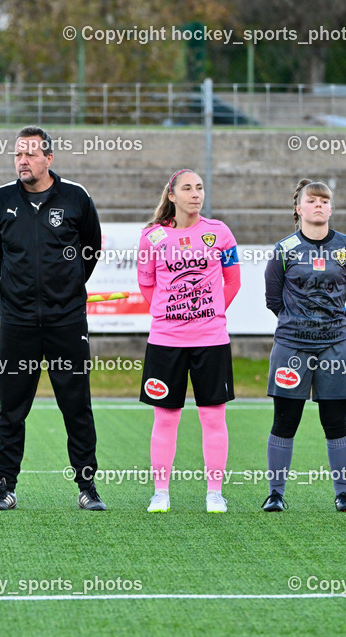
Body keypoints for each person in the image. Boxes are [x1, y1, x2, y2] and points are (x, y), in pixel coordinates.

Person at [0, 126, 105, 511]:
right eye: (18, 153)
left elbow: (91, 250)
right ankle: (5, 486)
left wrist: (64, 291)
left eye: (31, 154)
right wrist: (21, 292)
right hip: (18, 322)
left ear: (49, 159)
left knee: (76, 404)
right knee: (12, 406)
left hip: (66, 321)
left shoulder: (75, 198)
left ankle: (87, 487)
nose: (23, 160)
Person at [261, 179, 346, 512]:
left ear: (331, 208)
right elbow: (272, 298)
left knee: (336, 421)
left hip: (335, 348)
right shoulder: (285, 249)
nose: (319, 205)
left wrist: (339, 325)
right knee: (285, 421)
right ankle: (276, 495)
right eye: (313, 200)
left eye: (325, 201)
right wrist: (298, 324)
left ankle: (343, 494)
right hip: (291, 348)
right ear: (299, 208)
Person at [136, 169, 241, 513]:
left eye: (199, 188)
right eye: (187, 188)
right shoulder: (152, 238)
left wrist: (206, 313)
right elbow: (148, 286)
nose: (195, 194)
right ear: (172, 196)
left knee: (213, 416)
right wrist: (172, 315)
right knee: (166, 417)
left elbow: (232, 282)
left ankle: (214, 494)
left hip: (211, 339)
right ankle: (161, 493)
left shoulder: (220, 233)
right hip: (166, 341)